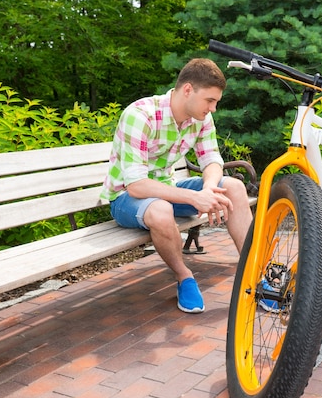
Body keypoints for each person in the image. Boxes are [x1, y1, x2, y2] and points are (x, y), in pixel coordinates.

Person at [100, 58, 253, 313]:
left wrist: (208, 189)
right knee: (161, 210)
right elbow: (136, 185)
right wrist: (194, 199)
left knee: (234, 188)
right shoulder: (141, 115)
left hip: (167, 190)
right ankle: (185, 277)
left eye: (216, 102)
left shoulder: (200, 118)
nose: (213, 109)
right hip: (126, 198)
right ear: (188, 90)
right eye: (210, 101)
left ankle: (255, 273)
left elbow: (212, 159)